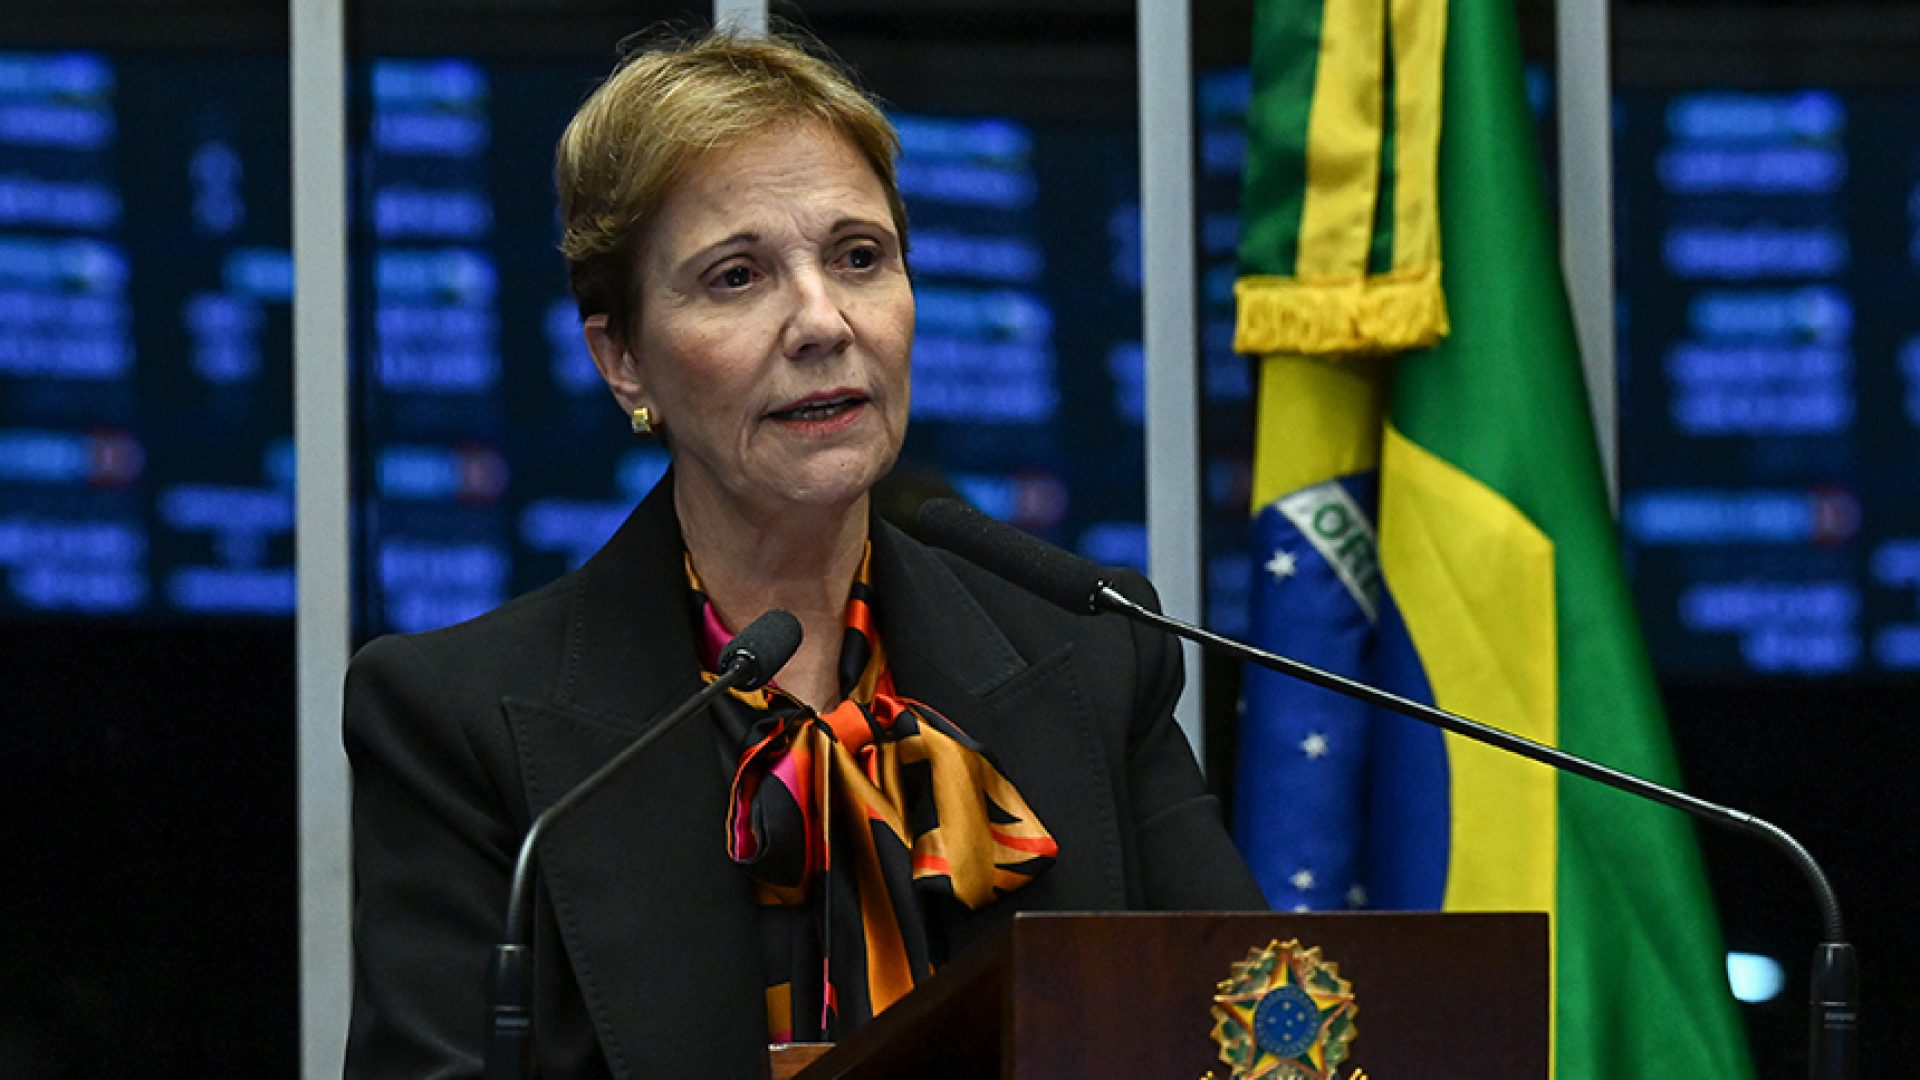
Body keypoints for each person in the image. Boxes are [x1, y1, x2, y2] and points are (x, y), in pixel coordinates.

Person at [343, 27, 1264, 1078]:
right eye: (737, 278)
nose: (823, 321)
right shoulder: (459, 728)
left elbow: (1250, 1023)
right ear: (623, 358)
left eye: (859, 258)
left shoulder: (1092, 656)